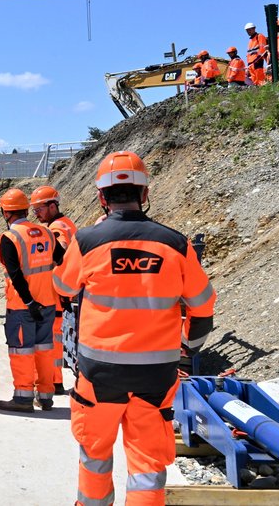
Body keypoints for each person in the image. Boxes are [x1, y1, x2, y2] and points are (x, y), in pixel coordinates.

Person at [55, 151, 216, 506]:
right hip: (155, 376)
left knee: (95, 454)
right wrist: (188, 347)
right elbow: (204, 307)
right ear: (144, 193)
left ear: (101, 196)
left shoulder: (88, 240)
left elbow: (63, 286)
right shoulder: (175, 244)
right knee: (147, 465)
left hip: (99, 374)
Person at [0, 188, 63, 413]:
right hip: (48, 303)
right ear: (26, 209)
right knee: (44, 350)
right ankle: (45, 396)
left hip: (22, 307)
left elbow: (15, 274)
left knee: (21, 351)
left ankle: (23, 398)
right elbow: (61, 259)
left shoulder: (10, 238)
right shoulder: (47, 233)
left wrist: (28, 302)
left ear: (6, 213)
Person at [30, 185, 78, 396]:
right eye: (34, 210)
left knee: (48, 340)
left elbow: (61, 253)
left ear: (52, 206)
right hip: (61, 291)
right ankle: (55, 380)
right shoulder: (66, 223)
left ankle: (50, 381)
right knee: (55, 339)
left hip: (53, 292)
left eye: (39, 209)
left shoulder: (56, 228)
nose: (36, 214)